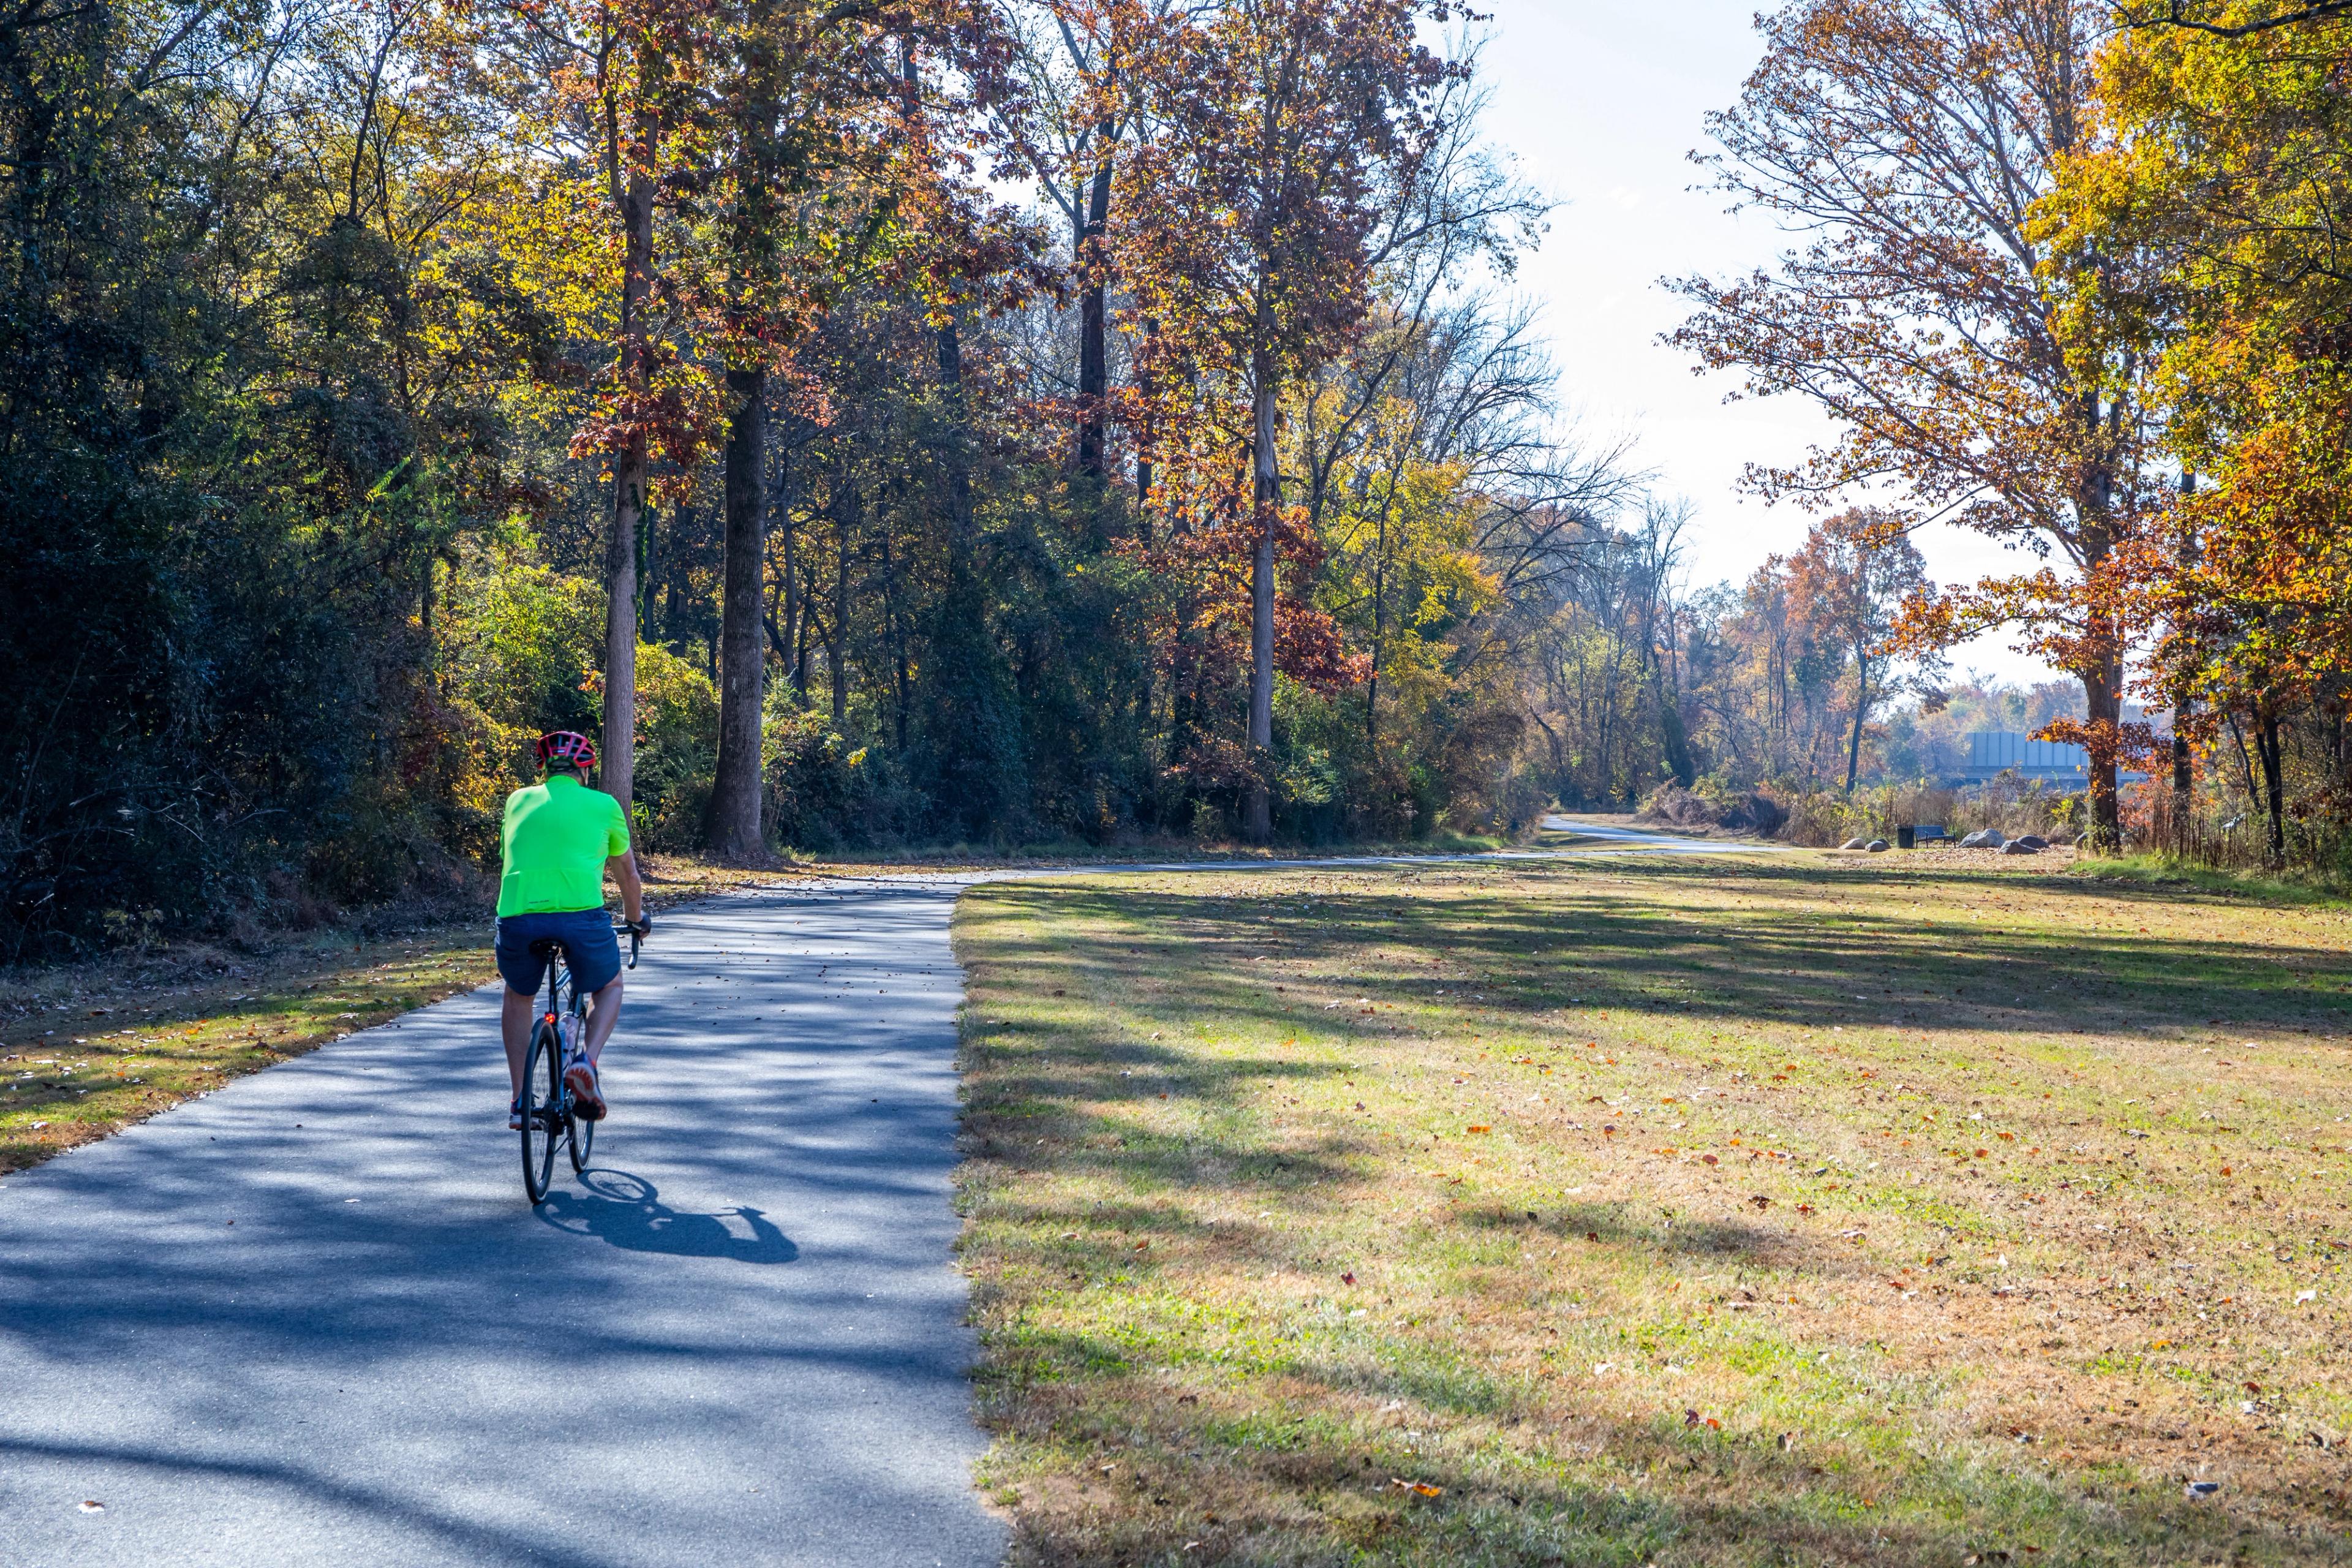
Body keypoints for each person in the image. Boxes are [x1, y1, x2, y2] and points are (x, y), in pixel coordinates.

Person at [494, 731, 649, 1129]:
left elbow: (510, 856)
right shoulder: (604, 805)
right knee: (610, 986)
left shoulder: (517, 801)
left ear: (544, 769)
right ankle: (586, 1061)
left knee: (517, 996)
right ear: (585, 769)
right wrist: (636, 921)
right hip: (581, 918)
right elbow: (628, 875)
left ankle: (519, 1104)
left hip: (517, 917)